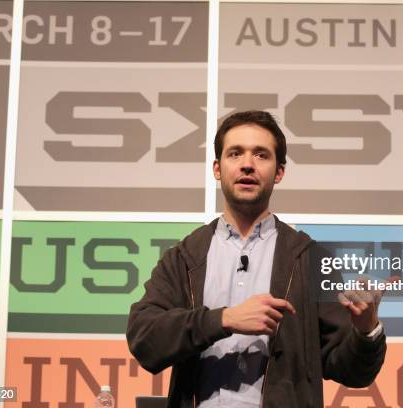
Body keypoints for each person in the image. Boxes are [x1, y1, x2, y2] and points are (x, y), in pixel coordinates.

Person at [127, 110, 388, 407]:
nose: (247, 165)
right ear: (217, 168)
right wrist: (223, 319)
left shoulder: (310, 259)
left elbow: (351, 371)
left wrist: (366, 329)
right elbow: (144, 338)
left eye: (261, 155)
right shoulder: (185, 257)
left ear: (279, 172)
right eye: (235, 153)